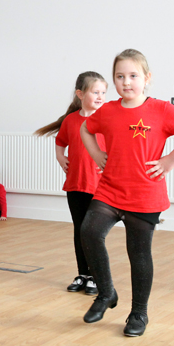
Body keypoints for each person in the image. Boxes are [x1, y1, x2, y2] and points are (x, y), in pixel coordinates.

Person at [80, 49, 174, 337]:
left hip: (145, 194)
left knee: (139, 254)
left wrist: (170, 160)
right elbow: (86, 128)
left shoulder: (161, 110)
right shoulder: (107, 110)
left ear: (147, 78)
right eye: (119, 76)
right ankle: (106, 293)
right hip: (109, 190)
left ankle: (138, 313)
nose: (126, 82)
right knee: (89, 232)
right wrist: (96, 153)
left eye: (133, 76)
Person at [35, 71, 107, 296]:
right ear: (80, 94)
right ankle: (83, 274)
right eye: (95, 92)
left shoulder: (105, 118)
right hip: (76, 185)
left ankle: (97, 277)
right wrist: (60, 156)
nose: (100, 96)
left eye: (103, 92)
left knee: (94, 233)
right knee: (79, 230)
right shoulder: (71, 120)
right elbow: (60, 141)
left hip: (100, 187)